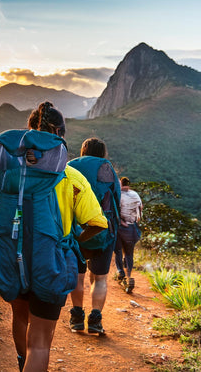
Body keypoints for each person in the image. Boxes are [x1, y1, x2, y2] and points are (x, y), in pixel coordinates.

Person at [0, 102, 107, 372]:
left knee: (20, 318)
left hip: (11, 261)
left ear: (27, 134)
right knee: (41, 343)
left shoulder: (0, 174)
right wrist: (71, 244)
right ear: (60, 136)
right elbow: (98, 223)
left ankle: (22, 365)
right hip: (51, 264)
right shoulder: (70, 176)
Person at [67, 138, 121, 335]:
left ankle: (77, 317)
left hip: (75, 230)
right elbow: (116, 200)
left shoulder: (70, 166)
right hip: (103, 232)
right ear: (102, 152)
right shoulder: (106, 168)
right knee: (99, 278)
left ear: (83, 150)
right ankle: (95, 319)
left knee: (78, 276)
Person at [114, 176, 143, 293]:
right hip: (131, 228)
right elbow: (140, 212)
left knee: (118, 251)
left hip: (120, 227)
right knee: (129, 254)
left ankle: (120, 271)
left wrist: (121, 221)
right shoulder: (136, 195)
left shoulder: (118, 195)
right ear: (129, 184)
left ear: (121, 184)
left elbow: (114, 210)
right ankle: (129, 275)